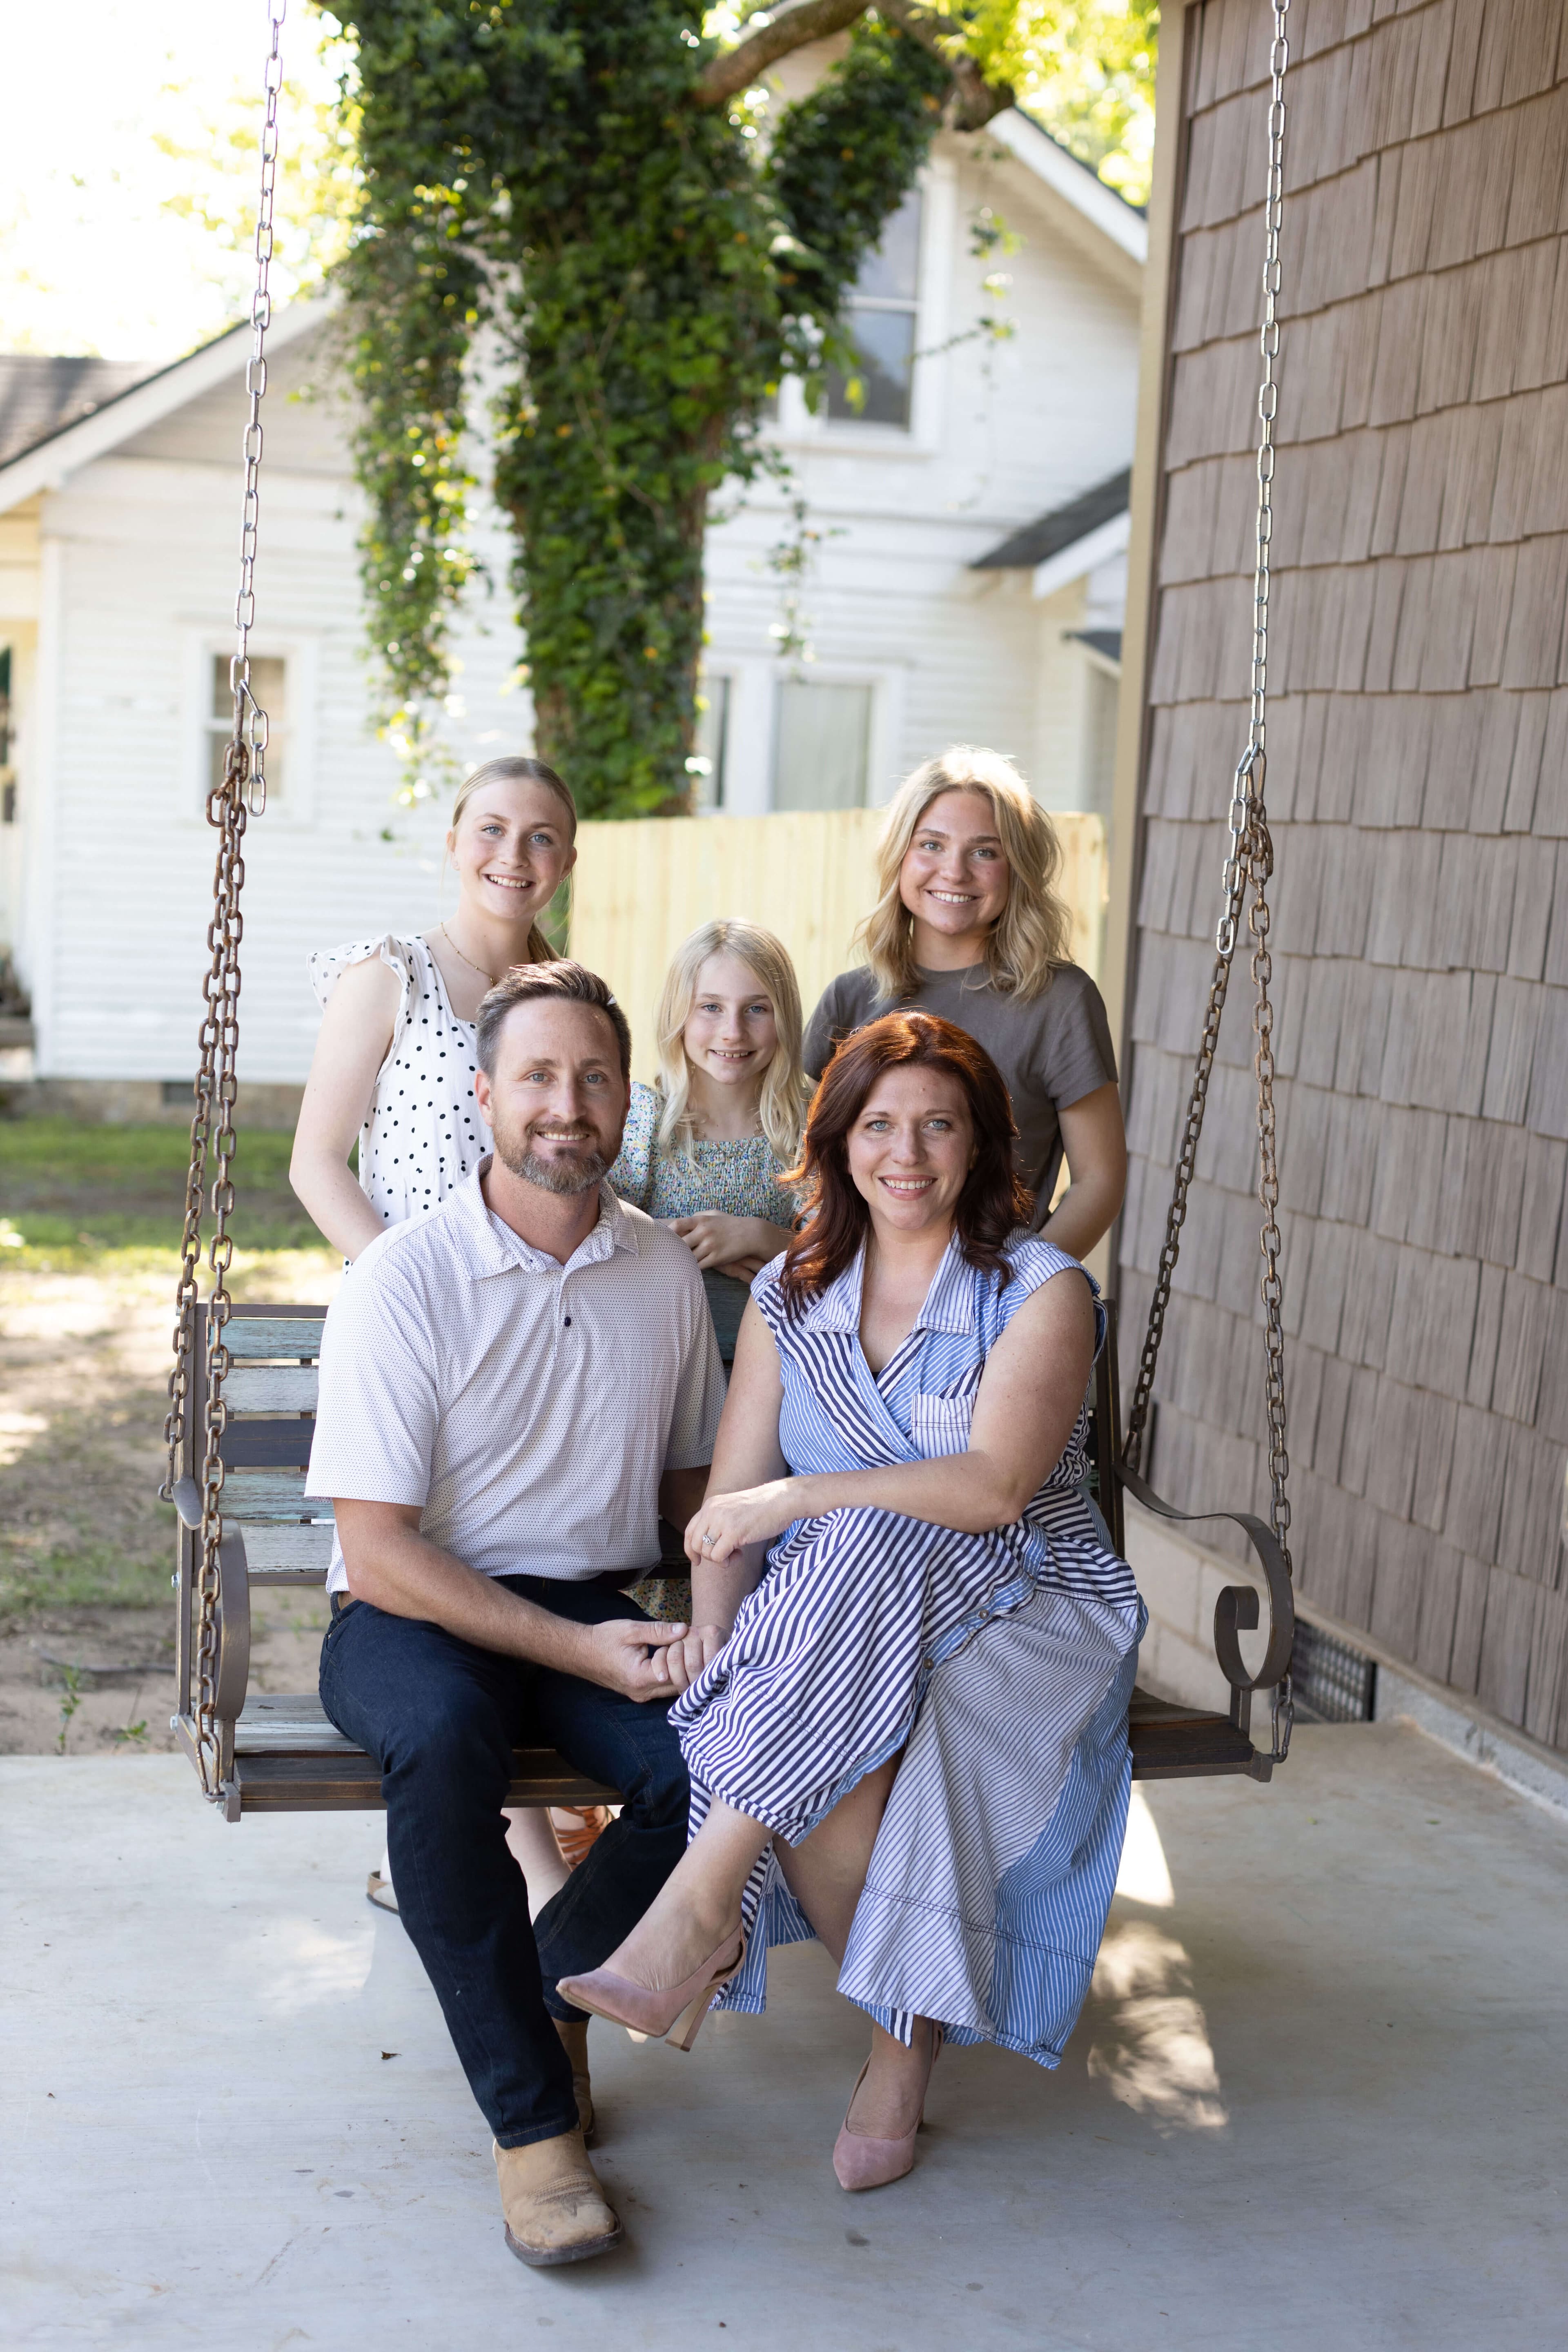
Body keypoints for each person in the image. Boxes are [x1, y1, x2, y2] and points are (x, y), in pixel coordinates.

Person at [559, 1012, 1145, 2192]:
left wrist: (800, 1501)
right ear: (837, 1142)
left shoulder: (1041, 1289)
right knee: (838, 1737)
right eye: (880, 1124)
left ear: (983, 1145)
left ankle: (698, 1907)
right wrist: (721, 1625)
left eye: (940, 1125)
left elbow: (992, 1490)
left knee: (862, 1528)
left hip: (1026, 1603)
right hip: (843, 1623)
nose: (908, 1153)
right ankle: (898, 2050)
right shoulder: (794, 1291)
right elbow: (726, 1508)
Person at [307, 960, 726, 2268]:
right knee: (440, 1746)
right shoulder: (405, 1279)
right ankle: (535, 2131)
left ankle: (547, 1989)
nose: (566, 1104)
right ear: (482, 1096)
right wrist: (577, 1646)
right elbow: (375, 1554)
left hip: (585, 1603)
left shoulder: (659, 1277)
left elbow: (688, 1495)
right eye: (537, 1077)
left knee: (718, 1766)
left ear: (624, 1105)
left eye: (594, 1079)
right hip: (410, 1612)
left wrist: (720, 1617)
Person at [290, 753, 597, 1911]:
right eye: (491, 829)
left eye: (542, 838)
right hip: (411, 1325)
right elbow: (317, 1160)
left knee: (515, 1557)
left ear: (566, 860)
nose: (512, 857)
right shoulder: (392, 976)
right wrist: (401, 1290)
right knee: (423, 1566)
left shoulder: (568, 989)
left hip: (532, 1328)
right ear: (454, 838)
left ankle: (480, 1851)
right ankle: (528, 1862)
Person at [804, 745, 1127, 1261]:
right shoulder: (851, 999)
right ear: (900, 857)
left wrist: (1025, 1294)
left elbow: (1101, 1181)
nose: (954, 872)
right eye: (931, 844)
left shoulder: (1061, 1002)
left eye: (984, 851)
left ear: (1016, 867)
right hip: (858, 1299)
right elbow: (810, 1167)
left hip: (997, 1300)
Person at [609, 919, 806, 1619]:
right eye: (712, 1008)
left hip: (784, 1376)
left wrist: (769, 1237)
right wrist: (664, 1241)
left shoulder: (810, 1123)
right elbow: (603, 1234)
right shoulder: (644, 1116)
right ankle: (686, 1612)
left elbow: (853, 1260)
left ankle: (769, 1615)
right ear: (679, 1015)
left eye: (758, 1008)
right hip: (669, 1373)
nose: (734, 1030)